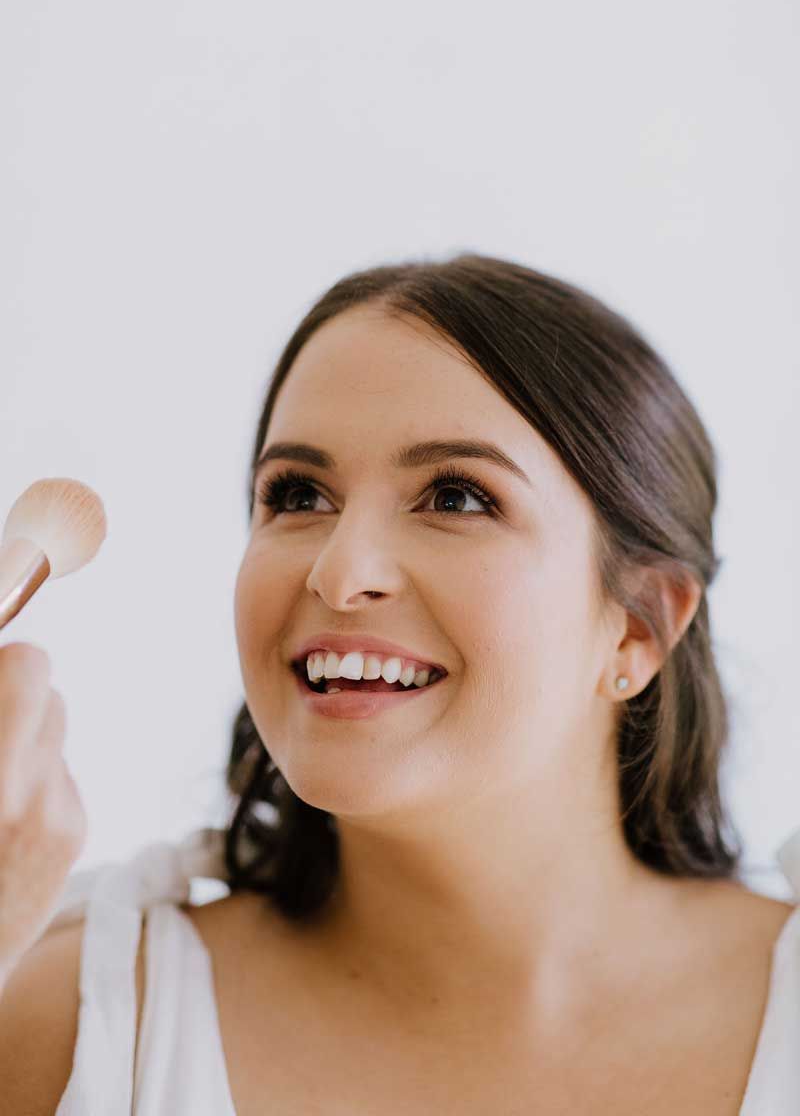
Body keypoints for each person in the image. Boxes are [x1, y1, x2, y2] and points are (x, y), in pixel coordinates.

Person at [1, 253, 798, 1114]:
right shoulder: (76, 1032)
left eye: (455, 497)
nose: (340, 575)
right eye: (298, 494)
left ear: (639, 623)